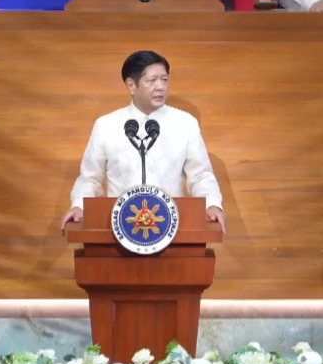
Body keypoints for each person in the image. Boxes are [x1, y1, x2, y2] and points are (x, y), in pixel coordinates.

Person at [60, 51, 226, 234]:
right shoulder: (106, 125)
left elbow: (200, 175)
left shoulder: (185, 124)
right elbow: (90, 178)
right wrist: (79, 206)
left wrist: (212, 204)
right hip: (119, 228)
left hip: (171, 228)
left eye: (164, 80)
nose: (160, 87)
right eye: (152, 80)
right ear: (131, 85)